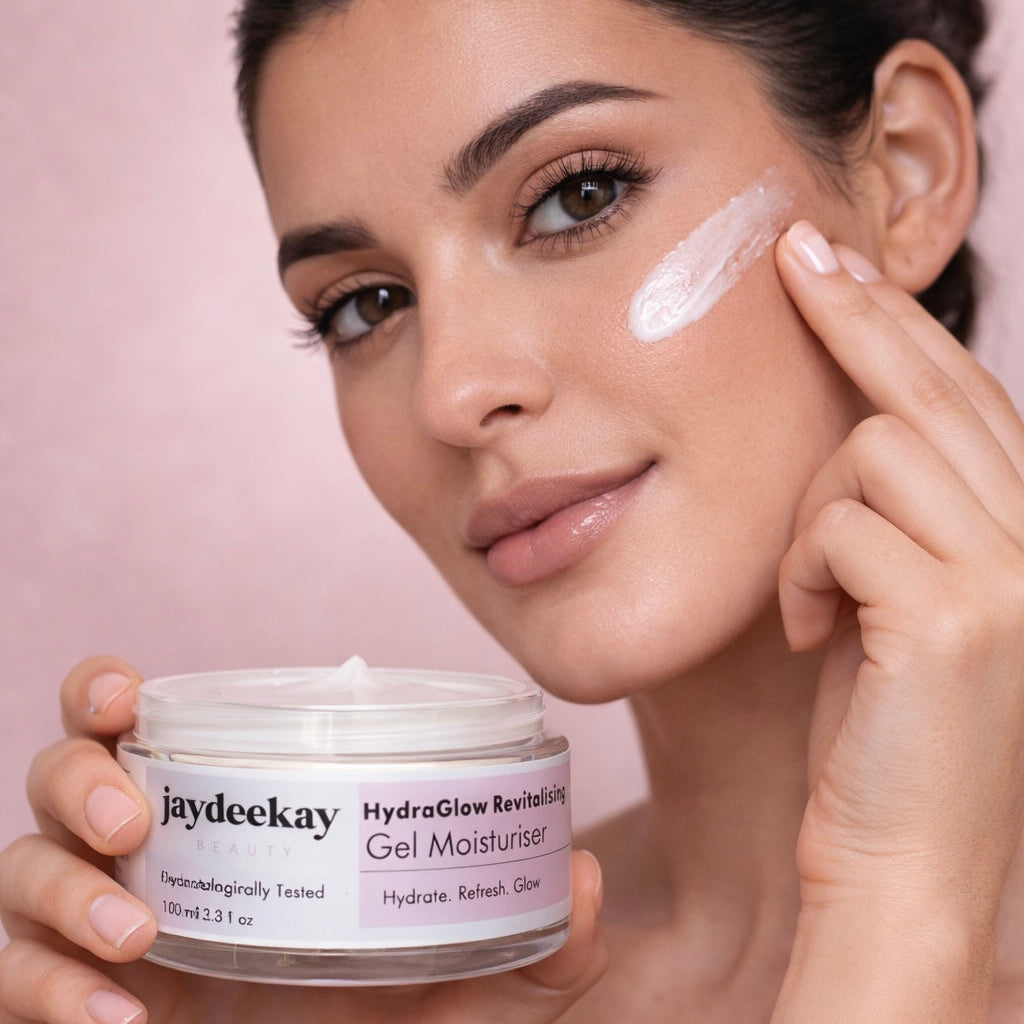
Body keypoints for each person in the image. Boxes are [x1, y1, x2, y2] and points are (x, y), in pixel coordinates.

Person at [2, 0, 1023, 1020]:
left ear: (905, 167)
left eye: (576, 197)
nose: (448, 393)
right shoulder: (441, 994)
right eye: (365, 302)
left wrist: (905, 917)